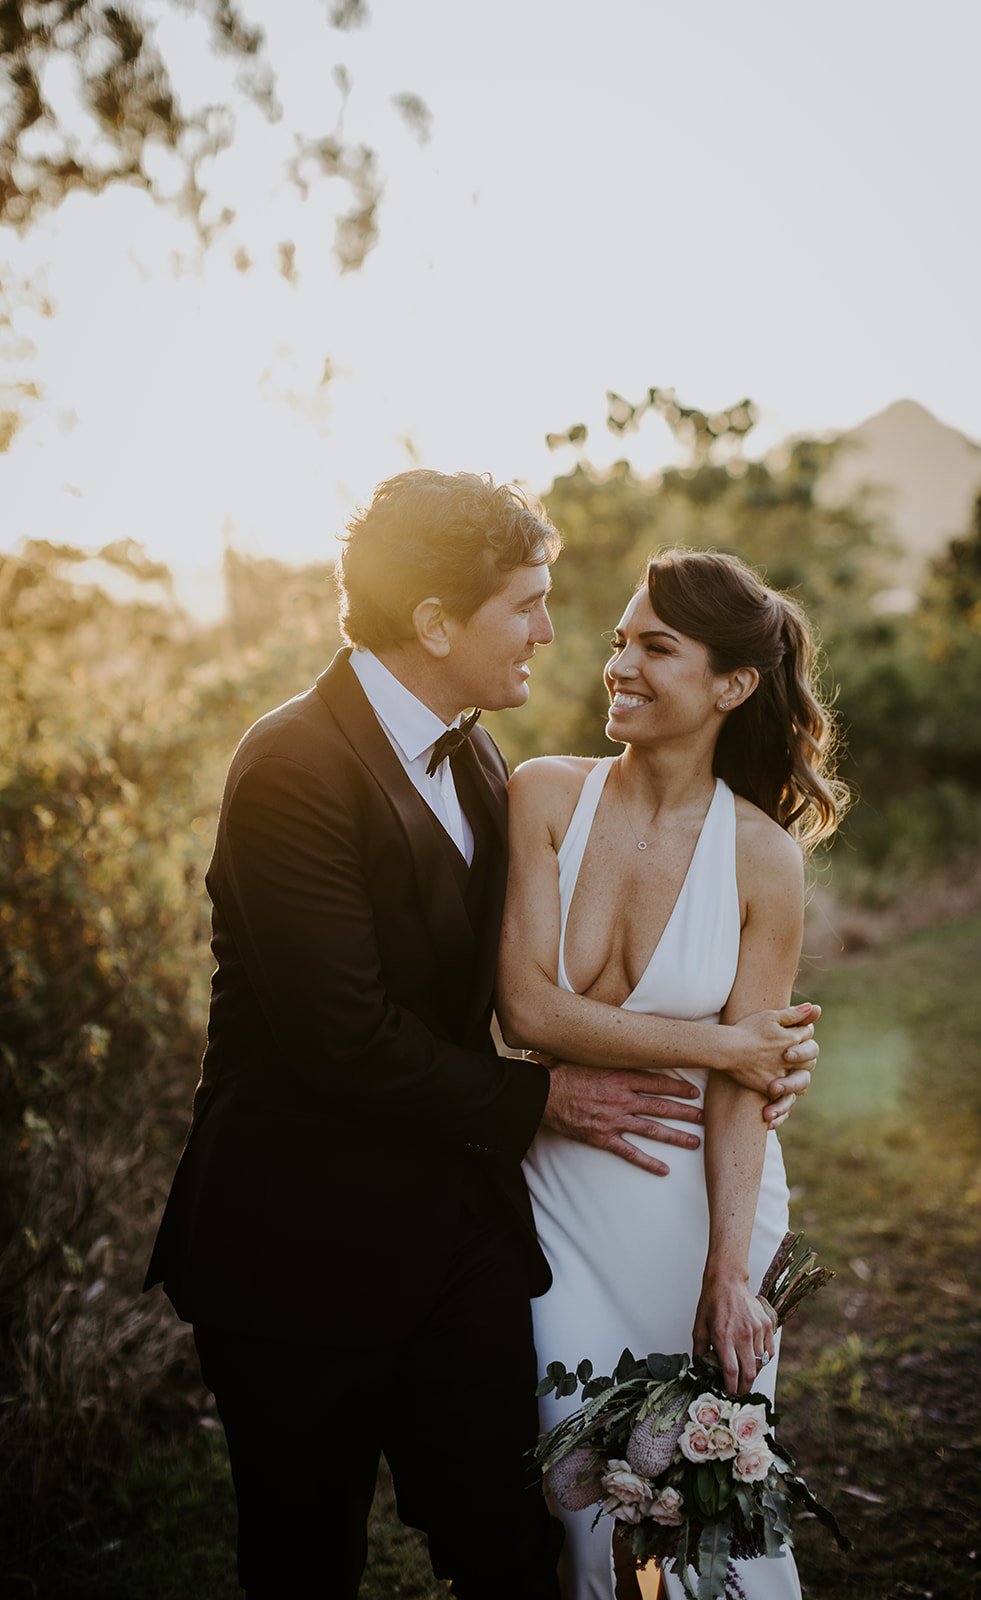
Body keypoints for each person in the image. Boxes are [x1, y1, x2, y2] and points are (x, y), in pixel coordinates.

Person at [144, 475, 819, 1599]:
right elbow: (343, 1034)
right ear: (435, 621)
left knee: (512, 1544)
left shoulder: (476, 759)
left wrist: (754, 1050)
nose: (555, 637)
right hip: (296, 1243)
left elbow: (497, 988)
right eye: (529, 605)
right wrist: (562, 1096)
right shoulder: (291, 765)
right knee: (303, 1556)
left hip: (460, 1231)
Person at [497, 548, 846, 1600]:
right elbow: (529, 1010)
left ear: (730, 685)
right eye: (617, 641)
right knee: (583, 1497)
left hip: (704, 1204)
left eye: (655, 646)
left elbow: (749, 1088)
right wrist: (722, 1043)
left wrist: (729, 1274)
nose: (619, 664)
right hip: (561, 1200)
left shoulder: (761, 857)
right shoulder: (543, 795)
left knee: (707, 1505)